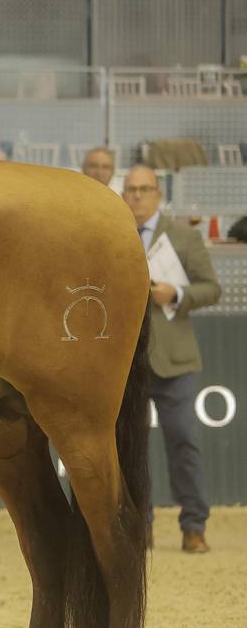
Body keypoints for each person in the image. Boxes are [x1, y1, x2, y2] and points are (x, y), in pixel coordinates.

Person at [122, 164, 221, 553]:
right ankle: (139, 526)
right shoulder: (113, 235)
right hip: (125, 363)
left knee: (183, 442)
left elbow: (211, 288)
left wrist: (176, 295)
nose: (137, 196)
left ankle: (194, 525)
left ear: (158, 194)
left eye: (144, 189)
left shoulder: (183, 236)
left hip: (174, 360)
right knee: (129, 449)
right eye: (131, 189)